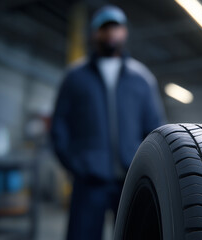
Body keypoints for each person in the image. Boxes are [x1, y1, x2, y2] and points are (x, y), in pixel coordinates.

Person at [50, 5, 166, 240]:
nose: (111, 33)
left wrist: (146, 167)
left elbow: (155, 128)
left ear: (124, 32)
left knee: (135, 234)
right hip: (88, 180)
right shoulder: (75, 78)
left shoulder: (141, 79)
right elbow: (59, 126)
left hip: (131, 180)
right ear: (94, 34)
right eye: (104, 28)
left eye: (116, 28)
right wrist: (76, 165)